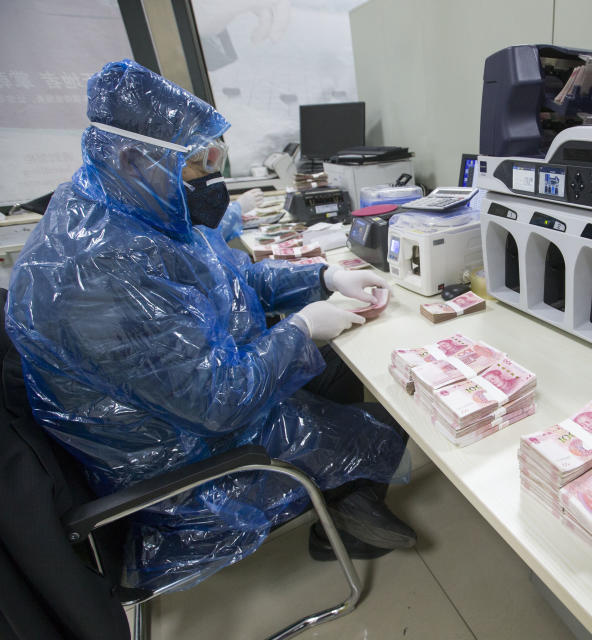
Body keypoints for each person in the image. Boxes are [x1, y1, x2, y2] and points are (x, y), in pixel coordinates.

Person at [4, 59, 413, 592]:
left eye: (213, 158)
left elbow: (234, 279)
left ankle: (344, 497)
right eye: (196, 164)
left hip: (193, 407)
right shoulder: (98, 268)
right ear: (132, 157)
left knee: (344, 361)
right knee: (393, 408)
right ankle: (338, 521)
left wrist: (323, 276)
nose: (210, 178)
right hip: (181, 464)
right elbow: (217, 404)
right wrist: (299, 331)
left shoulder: (138, 210)